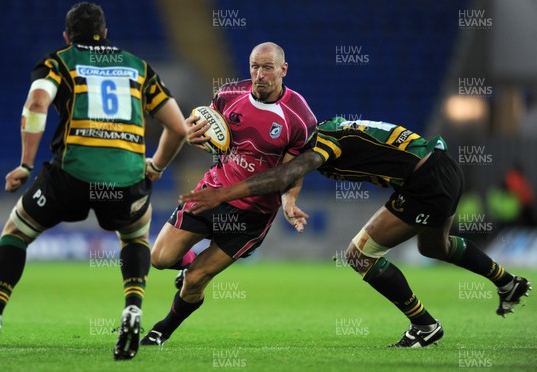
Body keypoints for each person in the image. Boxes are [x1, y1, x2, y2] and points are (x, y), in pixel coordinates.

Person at [0, 2, 187, 360]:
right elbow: (179, 128)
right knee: (135, 234)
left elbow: (37, 103)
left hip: (71, 177)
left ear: (67, 36)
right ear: (106, 34)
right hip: (126, 181)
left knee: (17, 232)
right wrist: (155, 168)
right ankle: (133, 309)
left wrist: (26, 165)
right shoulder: (139, 68)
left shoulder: (59, 61)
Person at [180, 117, 532, 348]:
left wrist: (222, 194)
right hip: (442, 168)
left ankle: (424, 325)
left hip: (424, 183)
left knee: (359, 254)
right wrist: (290, 201)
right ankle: (507, 281)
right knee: (434, 247)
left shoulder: (320, 146)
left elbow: (288, 172)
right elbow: (295, 170)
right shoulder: (328, 130)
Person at [139, 42, 317, 346]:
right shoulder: (228, 95)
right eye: (254, 66)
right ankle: (187, 262)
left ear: (283, 70)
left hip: (252, 215)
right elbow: (206, 133)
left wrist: (289, 201)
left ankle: (164, 329)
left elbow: (292, 172)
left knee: (195, 280)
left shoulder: (300, 119)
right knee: (159, 258)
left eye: (268, 67)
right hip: (212, 192)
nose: (259, 74)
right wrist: (193, 134)